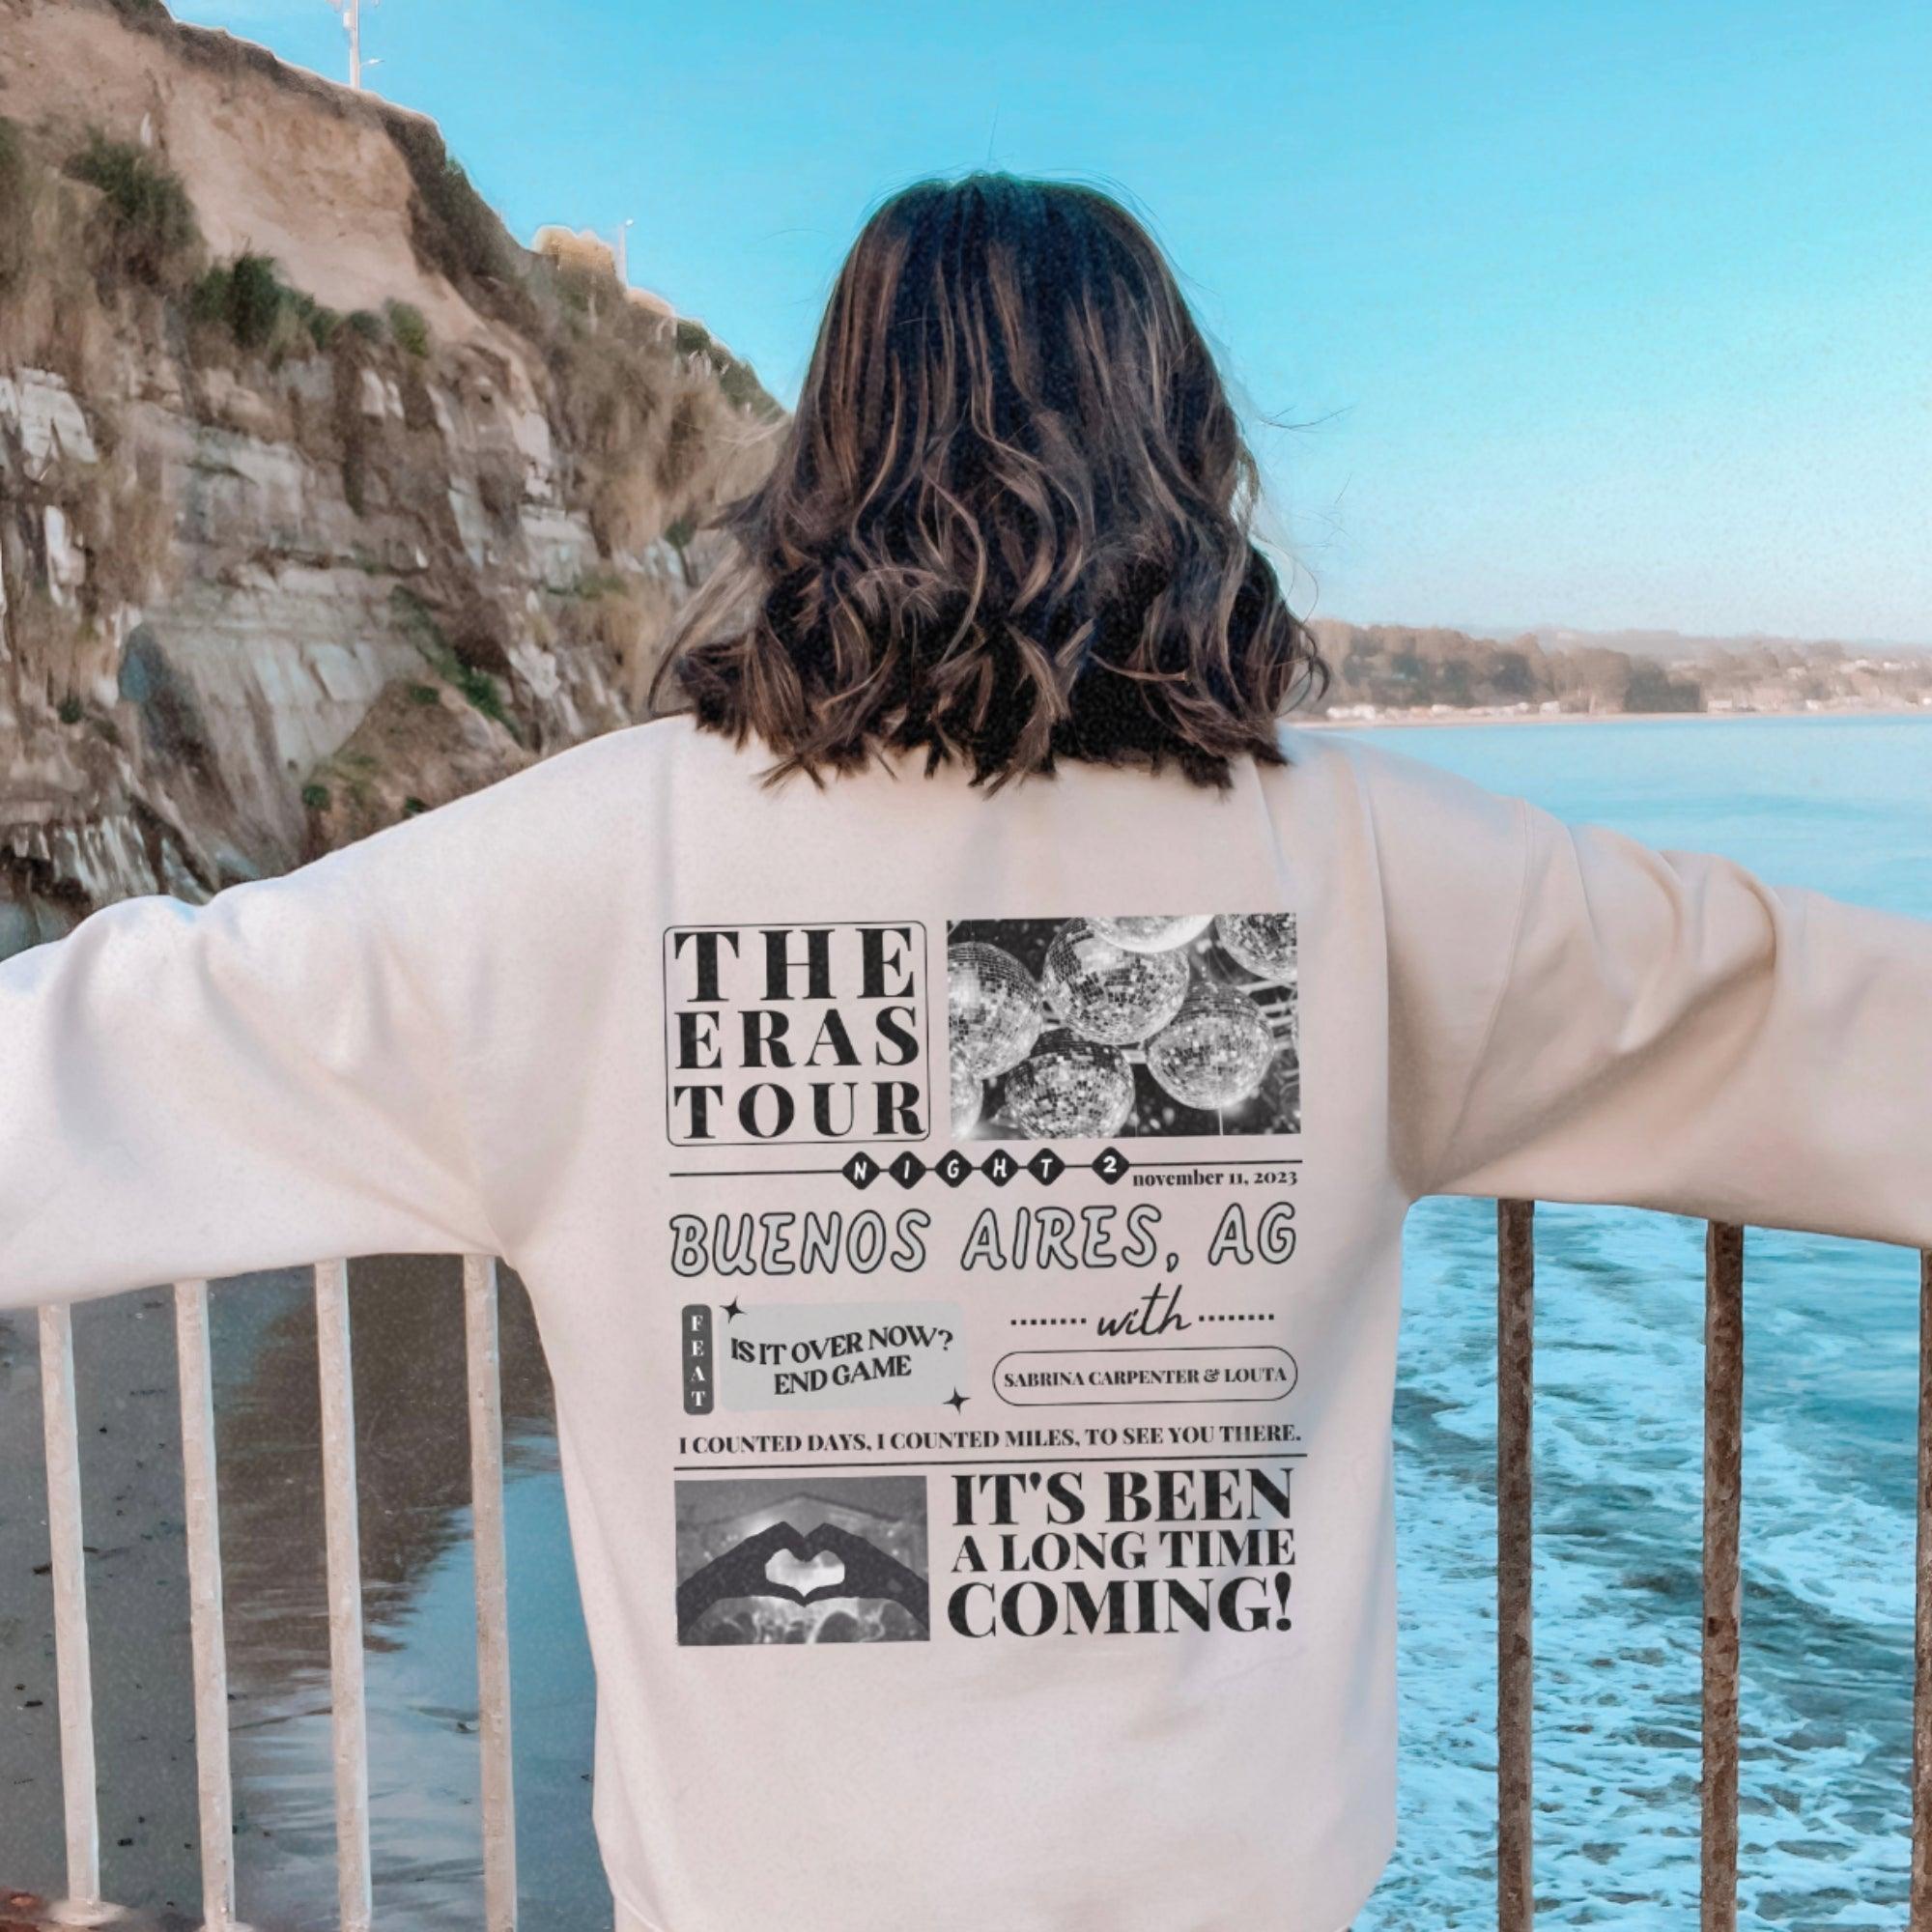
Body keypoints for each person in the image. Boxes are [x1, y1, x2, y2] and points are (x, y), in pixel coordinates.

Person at [2, 171, 1928, 1932]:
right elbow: (1828, 1020)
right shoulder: (1381, 868)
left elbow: (95, 1055)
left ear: (821, 463)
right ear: (1186, 457)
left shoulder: (572, 871)